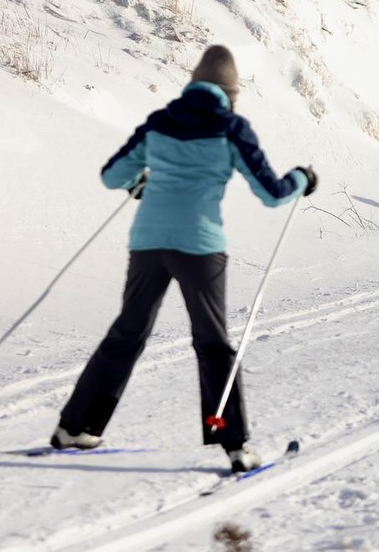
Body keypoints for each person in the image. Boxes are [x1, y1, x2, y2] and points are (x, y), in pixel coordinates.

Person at [51, 45, 315, 473]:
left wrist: (141, 183)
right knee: (212, 343)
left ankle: (73, 427)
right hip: (199, 246)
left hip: (148, 243)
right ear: (231, 93)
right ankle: (234, 446)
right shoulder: (232, 128)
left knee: (127, 333)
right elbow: (271, 194)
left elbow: (111, 176)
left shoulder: (160, 123)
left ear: (192, 84)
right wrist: (302, 178)